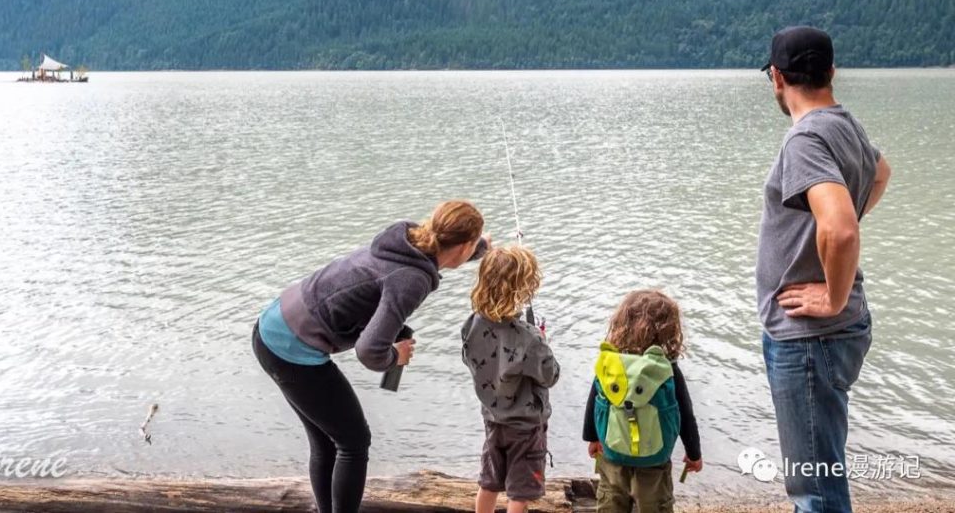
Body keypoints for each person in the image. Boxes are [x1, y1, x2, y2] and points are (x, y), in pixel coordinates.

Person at [251, 200, 489, 513]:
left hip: (275, 324)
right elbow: (369, 351)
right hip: (291, 349)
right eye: (473, 245)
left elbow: (448, 249)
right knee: (354, 443)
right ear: (464, 246)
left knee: (327, 441)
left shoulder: (406, 241)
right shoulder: (412, 280)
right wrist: (395, 357)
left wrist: (482, 248)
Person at [757, 26, 892, 513]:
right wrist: (840, 227)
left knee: (814, 490)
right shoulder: (844, 123)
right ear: (831, 72)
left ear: (777, 77)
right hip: (835, 331)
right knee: (821, 472)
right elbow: (881, 173)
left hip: (810, 338)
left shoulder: (805, 139)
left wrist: (832, 296)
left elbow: (841, 230)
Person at [583, 290, 702, 513]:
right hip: (654, 461)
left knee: (611, 500)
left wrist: (592, 438)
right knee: (655, 505)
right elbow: (686, 415)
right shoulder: (667, 369)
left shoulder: (612, 365)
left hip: (613, 453)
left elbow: (594, 402)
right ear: (670, 331)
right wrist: (694, 453)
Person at [461, 245, 559, 513]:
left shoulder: (472, 324)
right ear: (523, 288)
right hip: (526, 427)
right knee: (519, 493)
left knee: (489, 483)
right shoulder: (529, 338)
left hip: (493, 419)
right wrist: (542, 342)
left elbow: (471, 359)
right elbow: (550, 376)